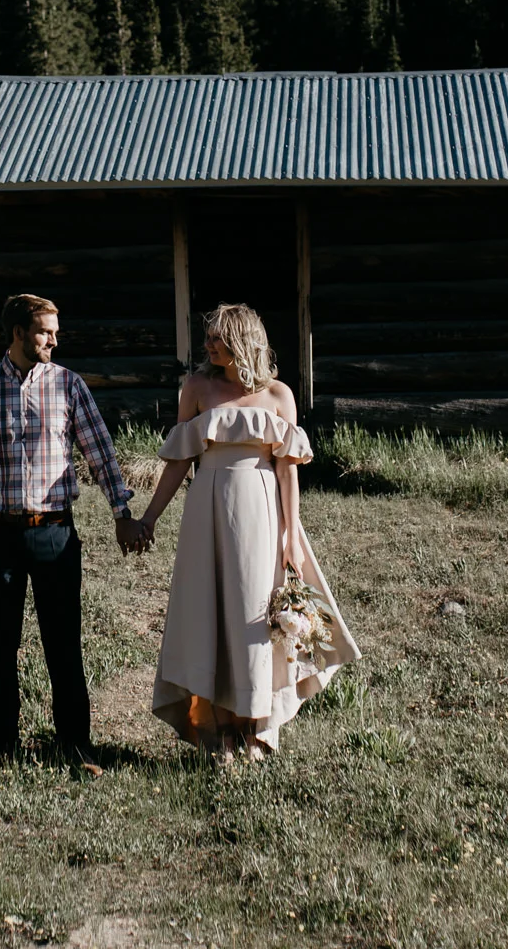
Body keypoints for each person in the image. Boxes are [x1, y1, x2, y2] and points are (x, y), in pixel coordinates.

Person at [133, 302, 358, 758]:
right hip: (206, 509)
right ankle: (214, 732)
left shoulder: (278, 395)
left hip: (261, 509)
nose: (208, 344)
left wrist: (291, 533)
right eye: (208, 336)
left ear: (241, 340)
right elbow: (179, 461)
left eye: (217, 337)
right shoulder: (196, 387)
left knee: (254, 613)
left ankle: (257, 727)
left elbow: (287, 470)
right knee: (208, 610)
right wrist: (150, 517)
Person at [0, 292, 150, 760]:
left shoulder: (68, 385)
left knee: (64, 644)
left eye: (56, 332)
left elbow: (98, 451)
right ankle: (3, 748)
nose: (53, 341)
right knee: (1, 647)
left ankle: (74, 747)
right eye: (45, 332)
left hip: (55, 534)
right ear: (19, 332)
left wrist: (121, 512)